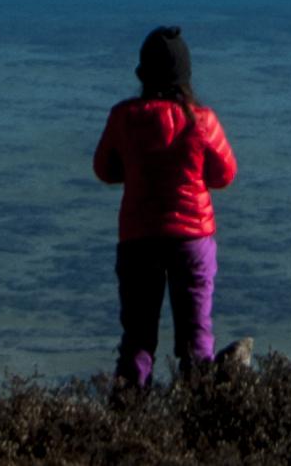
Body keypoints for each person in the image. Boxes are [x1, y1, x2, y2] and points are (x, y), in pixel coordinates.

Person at [91, 24, 235, 389]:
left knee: (138, 340)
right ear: (185, 75)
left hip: (139, 237)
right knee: (196, 338)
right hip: (193, 239)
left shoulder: (125, 117)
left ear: (144, 74)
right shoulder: (202, 121)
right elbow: (224, 174)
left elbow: (104, 170)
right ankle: (198, 415)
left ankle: (128, 421)